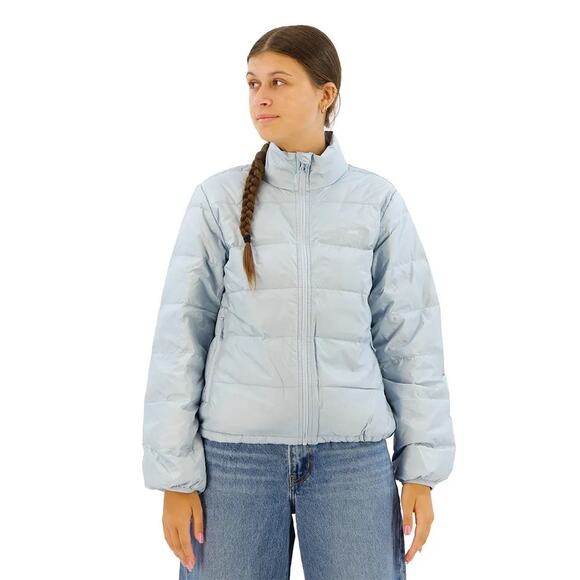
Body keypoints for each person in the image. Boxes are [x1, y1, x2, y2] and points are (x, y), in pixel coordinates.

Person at [142, 24, 455, 580]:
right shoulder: (217, 199)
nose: (260, 97)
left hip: (351, 462)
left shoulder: (376, 201)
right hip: (233, 462)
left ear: (325, 94)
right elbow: (180, 338)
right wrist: (175, 478)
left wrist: (420, 472)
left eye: (279, 82)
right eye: (253, 83)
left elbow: (410, 340)